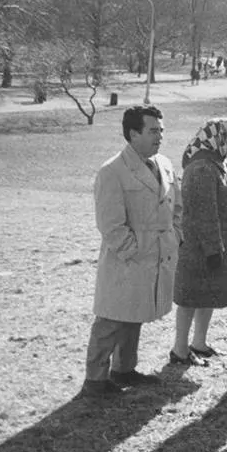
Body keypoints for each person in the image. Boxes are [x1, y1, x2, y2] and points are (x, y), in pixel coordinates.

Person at [84, 105, 183, 396]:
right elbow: (110, 225)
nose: (160, 137)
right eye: (153, 131)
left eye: (161, 131)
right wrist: (134, 250)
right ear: (133, 133)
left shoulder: (164, 164)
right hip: (126, 261)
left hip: (157, 257)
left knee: (135, 314)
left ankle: (125, 370)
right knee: (111, 319)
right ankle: (95, 381)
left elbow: (178, 208)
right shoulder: (112, 171)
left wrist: (175, 237)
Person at [171, 118, 227, 366]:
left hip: (216, 244)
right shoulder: (201, 167)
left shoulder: (218, 163)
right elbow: (203, 212)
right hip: (200, 247)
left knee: (207, 295)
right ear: (217, 136)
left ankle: (199, 343)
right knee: (190, 297)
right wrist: (213, 248)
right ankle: (179, 349)